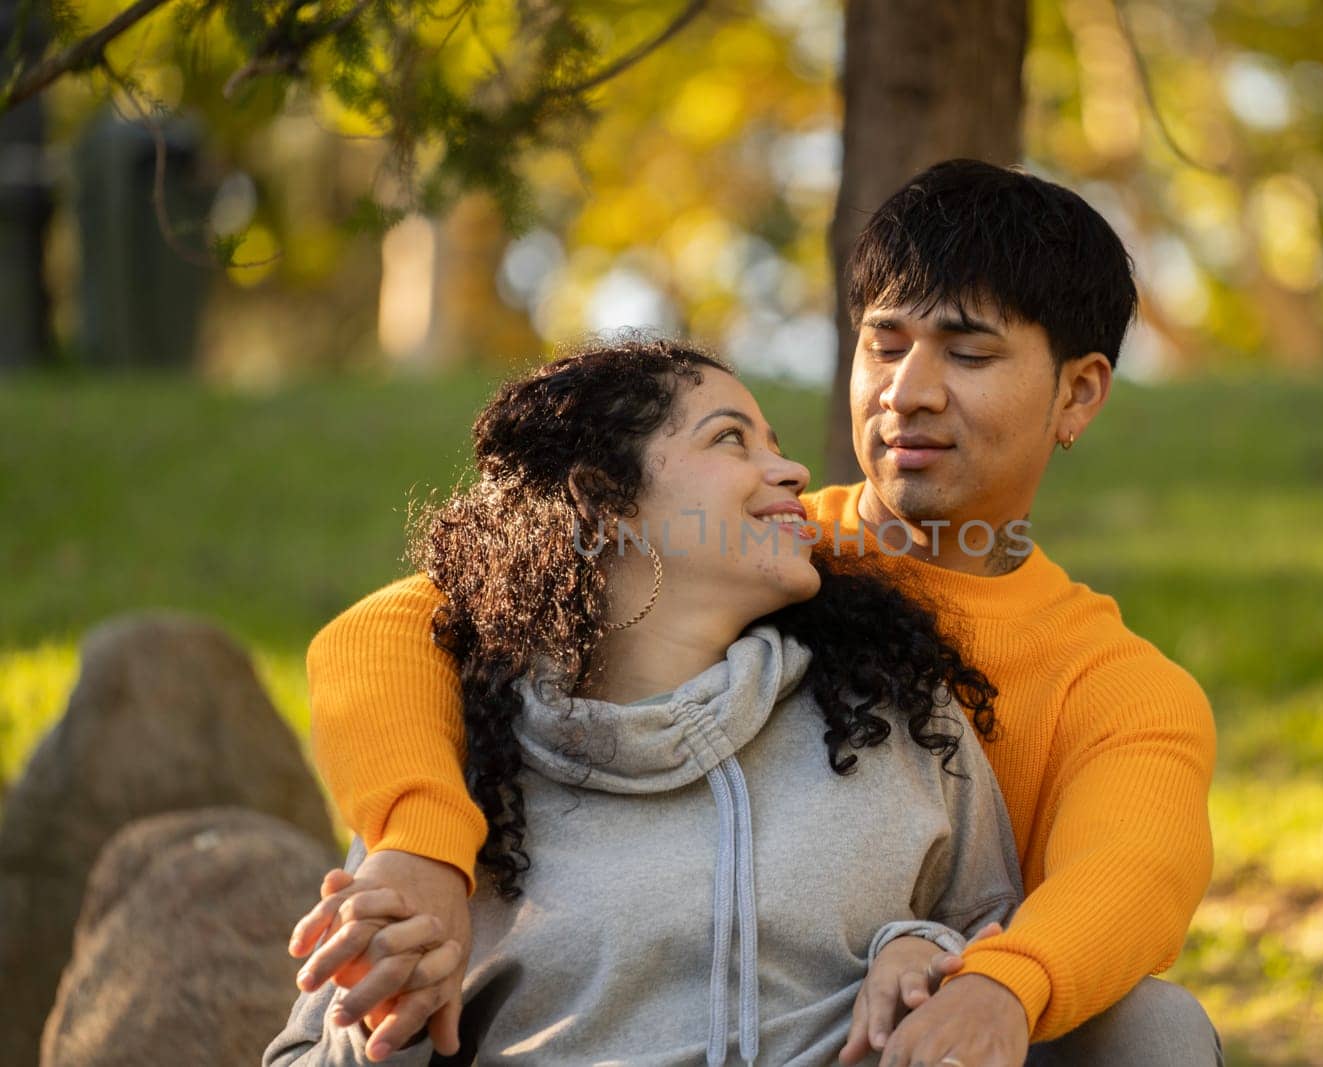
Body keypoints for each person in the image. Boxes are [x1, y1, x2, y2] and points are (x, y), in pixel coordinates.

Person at [290, 160, 1223, 1065]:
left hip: (945, 1027)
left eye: (970, 352)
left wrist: (997, 981)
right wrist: (422, 850)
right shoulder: (746, 552)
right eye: (885, 344)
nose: (909, 392)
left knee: (1152, 1026)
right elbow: (396, 629)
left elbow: (1132, 874)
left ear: (1080, 392)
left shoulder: (1118, 688)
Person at [267, 339, 1026, 1065]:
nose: (792, 469)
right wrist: (383, 1021)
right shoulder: (455, 761)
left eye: (775, 442)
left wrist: (928, 947)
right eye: (733, 440)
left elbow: (1006, 948)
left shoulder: (892, 714)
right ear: (604, 503)